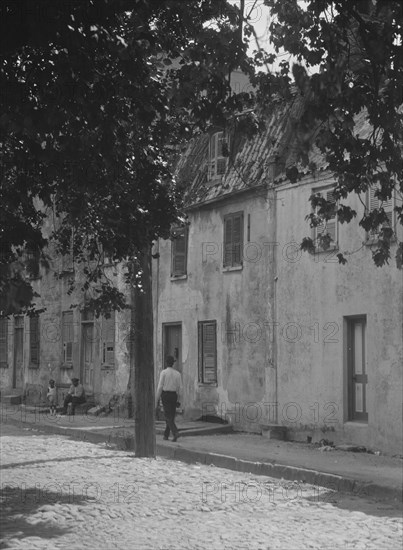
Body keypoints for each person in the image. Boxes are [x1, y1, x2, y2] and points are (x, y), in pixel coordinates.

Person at [155, 356, 182, 442]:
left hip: (165, 395)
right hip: (174, 395)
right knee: (171, 415)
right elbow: (180, 388)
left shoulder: (163, 373)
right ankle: (166, 435)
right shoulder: (178, 374)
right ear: (173, 363)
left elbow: (160, 387)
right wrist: (179, 399)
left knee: (167, 415)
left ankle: (175, 432)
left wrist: (156, 399)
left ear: (166, 363)